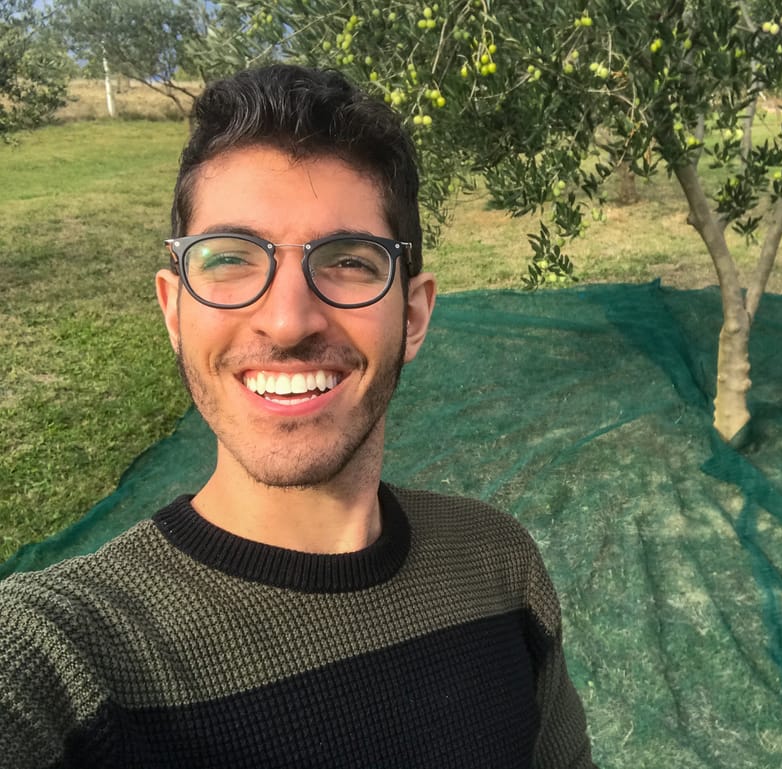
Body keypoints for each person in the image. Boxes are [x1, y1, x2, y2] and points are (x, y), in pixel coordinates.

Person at [0, 64, 595, 768]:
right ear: (173, 309)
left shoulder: (500, 566)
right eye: (229, 259)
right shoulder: (60, 658)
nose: (287, 321)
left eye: (348, 260)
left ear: (413, 314)